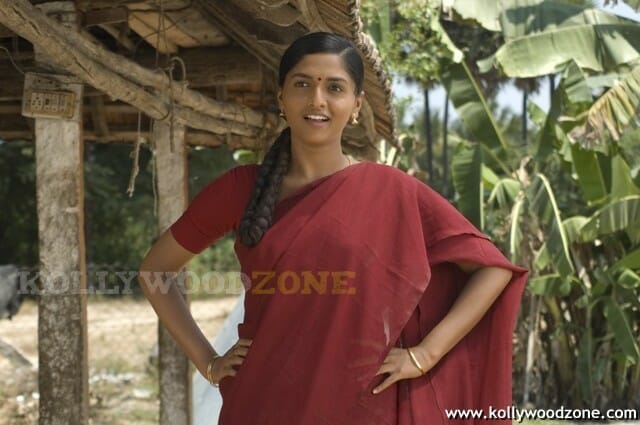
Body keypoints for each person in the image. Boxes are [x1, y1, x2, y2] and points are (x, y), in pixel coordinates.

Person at [138, 32, 528, 424]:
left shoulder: (392, 190)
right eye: (302, 84)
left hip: (363, 408)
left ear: (356, 104)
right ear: (281, 97)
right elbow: (155, 271)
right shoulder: (240, 189)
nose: (317, 100)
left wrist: (425, 354)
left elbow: (491, 270)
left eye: (334, 88)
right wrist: (208, 362)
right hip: (260, 403)